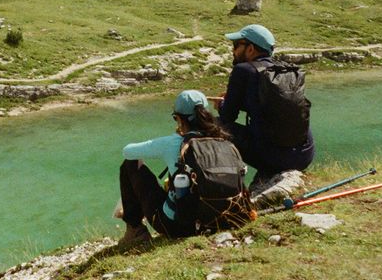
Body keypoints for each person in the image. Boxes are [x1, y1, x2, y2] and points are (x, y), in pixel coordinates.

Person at [117, 90, 234, 249]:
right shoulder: (223, 139)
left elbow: (127, 151)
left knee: (130, 164)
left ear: (178, 118)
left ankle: (135, 231)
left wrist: (168, 142)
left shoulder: (174, 142)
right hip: (221, 218)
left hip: (178, 226)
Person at [217, 24, 314, 182]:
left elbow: (228, 116)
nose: (233, 51)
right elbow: (269, 107)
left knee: (212, 124)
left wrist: (222, 104)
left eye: (236, 45)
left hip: (273, 159)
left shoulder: (243, 70)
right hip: (305, 155)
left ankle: (222, 184)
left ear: (250, 49)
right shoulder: (287, 70)